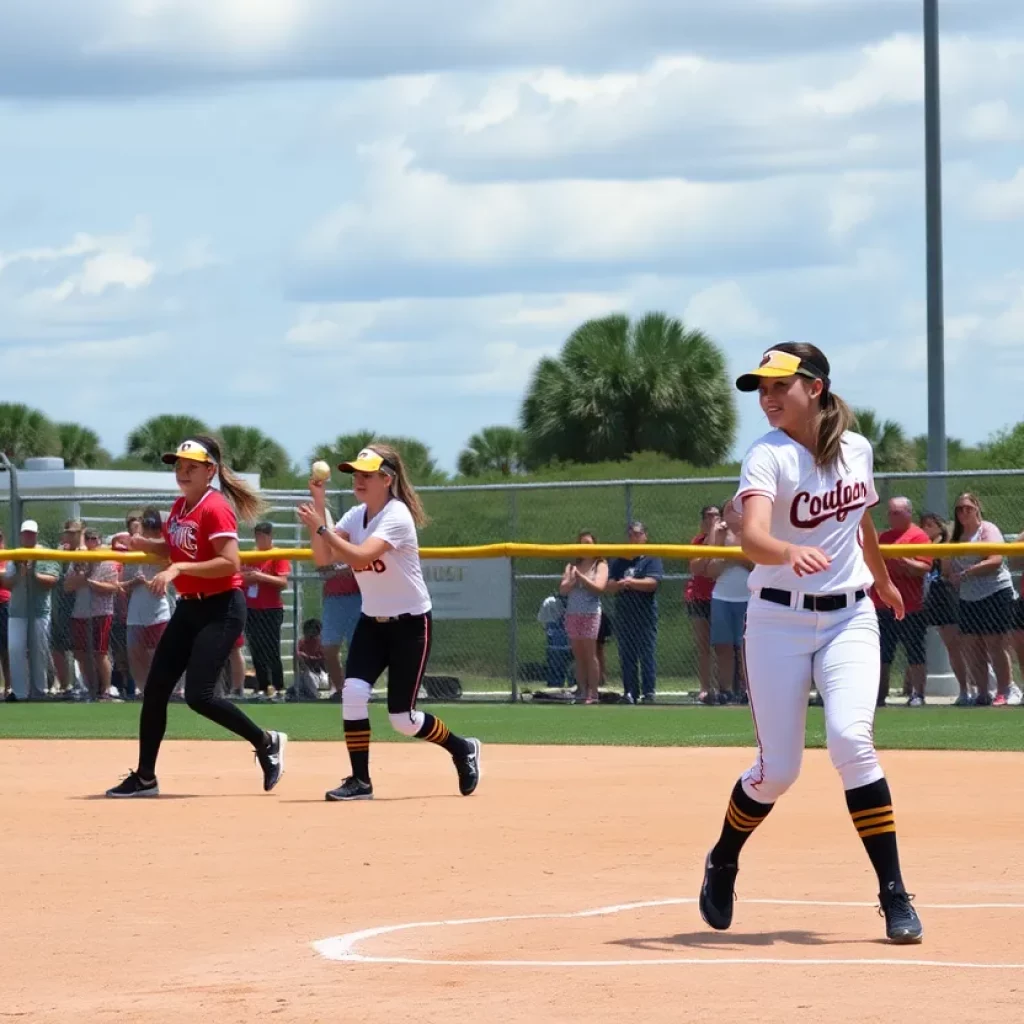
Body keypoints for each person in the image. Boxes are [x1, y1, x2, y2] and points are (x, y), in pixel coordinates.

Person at [697, 343, 922, 945]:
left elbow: (862, 518)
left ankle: (894, 894)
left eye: (779, 386)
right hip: (777, 622)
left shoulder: (857, 448)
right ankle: (723, 858)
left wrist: (879, 576)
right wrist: (787, 551)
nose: (767, 399)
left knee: (853, 742)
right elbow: (751, 537)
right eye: (761, 389)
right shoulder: (766, 456)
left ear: (815, 388)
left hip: (851, 617)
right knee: (779, 772)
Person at [297, 443, 481, 801]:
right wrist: (319, 507)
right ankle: (360, 781)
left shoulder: (396, 516)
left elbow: (360, 556)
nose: (359, 480)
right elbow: (324, 559)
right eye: (355, 475)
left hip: (410, 625)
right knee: (352, 693)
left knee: (403, 719)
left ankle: (462, 749)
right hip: (372, 622)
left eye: (367, 475)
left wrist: (322, 528)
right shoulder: (355, 516)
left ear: (387, 479)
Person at [104, 436, 286, 798]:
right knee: (155, 689)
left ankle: (266, 741)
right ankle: (145, 778)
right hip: (190, 607)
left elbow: (229, 562)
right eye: (178, 466)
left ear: (210, 471)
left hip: (221, 608)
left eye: (191, 466)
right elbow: (172, 549)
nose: (182, 472)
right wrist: (145, 545)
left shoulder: (214, 506)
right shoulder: (181, 506)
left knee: (200, 696)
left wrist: (176, 568)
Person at [944, 492, 1015, 707]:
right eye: (959, 509)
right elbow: (946, 569)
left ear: (977, 508)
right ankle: (983, 693)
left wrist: (966, 573)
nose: (964, 512)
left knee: (995, 644)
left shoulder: (987, 529)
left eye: (968, 507)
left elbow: (995, 560)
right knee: (971, 645)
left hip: (994, 592)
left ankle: (1006, 690)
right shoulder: (954, 535)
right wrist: (950, 570)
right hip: (968, 596)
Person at [872, 498, 931, 708]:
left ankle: (917, 693)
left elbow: (924, 567)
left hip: (910, 606)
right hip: (882, 604)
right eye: (890, 513)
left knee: (914, 651)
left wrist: (902, 560)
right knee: (882, 652)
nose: (892, 517)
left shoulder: (918, 536)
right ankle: (879, 694)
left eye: (897, 513)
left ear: (908, 513)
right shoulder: (884, 537)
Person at [606, 521, 663, 703]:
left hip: (645, 614)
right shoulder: (619, 560)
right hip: (624, 613)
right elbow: (609, 585)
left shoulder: (651, 557)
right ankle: (630, 691)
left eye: (638, 534)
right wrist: (619, 584)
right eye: (631, 534)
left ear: (645, 536)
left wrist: (629, 583)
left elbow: (652, 583)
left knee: (647, 653)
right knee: (627, 654)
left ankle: (648, 692)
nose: (634, 538)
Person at [3, 520, 59, 701]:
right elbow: (6, 583)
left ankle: (39, 691)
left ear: (37, 534)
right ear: (20, 535)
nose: (28, 536)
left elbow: (51, 581)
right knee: (15, 649)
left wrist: (33, 573)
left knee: (39, 651)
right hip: (17, 612)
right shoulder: (15, 555)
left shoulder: (45, 554)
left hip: (39, 611)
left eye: (32, 533)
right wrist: (20, 573)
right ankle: (19, 693)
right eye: (25, 533)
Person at [121, 507, 173, 698]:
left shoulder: (162, 545)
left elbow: (166, 546)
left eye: (152, 526)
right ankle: (143, 691)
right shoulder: (132, 549)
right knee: (135, 653)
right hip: (136, 610)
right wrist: (135, 581)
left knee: (156, 655)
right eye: (145, 526)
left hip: (158, 609)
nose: (149, 529)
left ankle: (160, 690)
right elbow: (123, 584)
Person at [919, 511, 969, 704]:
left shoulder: (944, 542)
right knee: (948, 646)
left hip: (947, 596)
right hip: (931, 596)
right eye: (923, 525)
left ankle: (967, 689)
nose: (926, 529)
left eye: (930, 525)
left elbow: (947, 570)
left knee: (957, 645)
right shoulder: (924, 544)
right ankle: (963, 690)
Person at [559, 530, 608, 705]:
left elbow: (599, 587)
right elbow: (563, 589)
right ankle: (581, 690)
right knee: (578, 655)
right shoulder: (572, 566)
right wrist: (573, 580)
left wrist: (582, 579)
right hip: (573, 613)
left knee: (590, 653)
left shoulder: (600, 564)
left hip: (590, 613)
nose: (584, 547)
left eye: (588, 543)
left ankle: (593, 692)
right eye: (581, 543)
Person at [242, 521, 289, 699]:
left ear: (270, 537)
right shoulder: (250, 555)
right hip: (252, 608)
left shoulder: (277, 555)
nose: (260, 540)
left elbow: (282, 582)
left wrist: (260, 576)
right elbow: (240, 577)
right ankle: (261, 687)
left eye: (263, 536)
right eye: (257, 536)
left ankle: (278, 687)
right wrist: (248, 577)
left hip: (271, 609)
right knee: (256, 648)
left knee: (272, 649)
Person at [685, 506, 720, 703]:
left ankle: (724, 687)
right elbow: (697, 568)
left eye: (716, 515)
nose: (713, 519)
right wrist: (708, 553)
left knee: (724, 646)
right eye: (709, 516)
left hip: (721, 597)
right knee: (704, 646)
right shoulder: (698, 541)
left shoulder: (727, 538)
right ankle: (705, 687)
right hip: (700, 597)